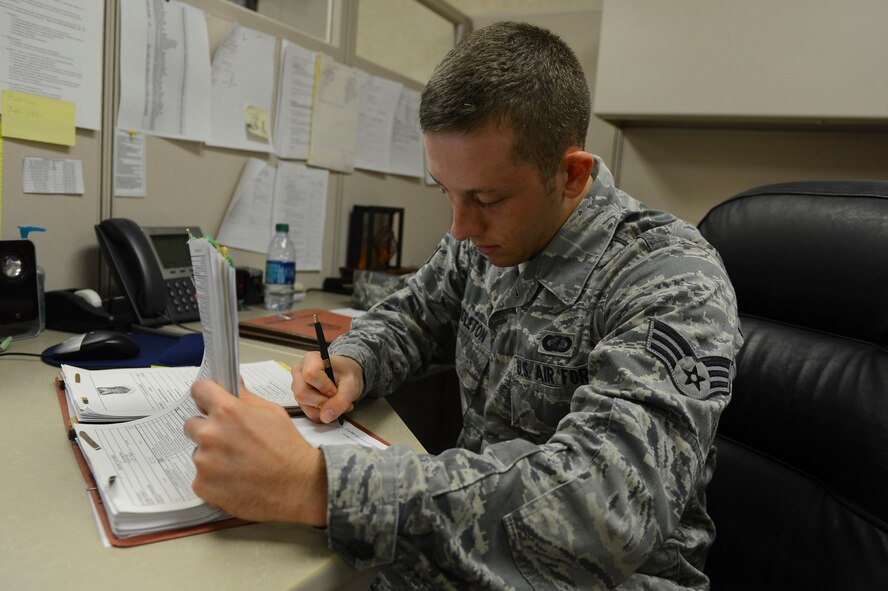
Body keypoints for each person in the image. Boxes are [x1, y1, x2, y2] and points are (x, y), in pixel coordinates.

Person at [184, 21, 742, 590]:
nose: (459, 226)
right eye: (446, 192)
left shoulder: (670, 277)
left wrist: (318, 484)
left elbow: (608, 505)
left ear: (571, 175)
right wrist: (352, 361)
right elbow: (414, 314)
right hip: (467, 548)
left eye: (487, 198)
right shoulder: (481, 242)